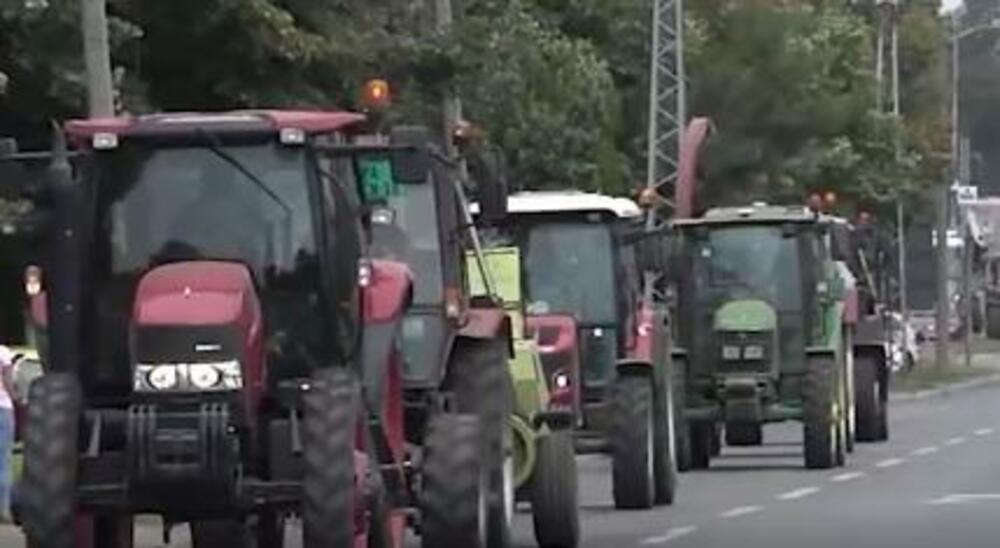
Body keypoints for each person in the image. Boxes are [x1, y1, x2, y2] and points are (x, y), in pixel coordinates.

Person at [0, 345, 16, 522]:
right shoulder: (3, 352)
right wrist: (17, 396)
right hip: (3, 408)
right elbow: (8, 382)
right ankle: (3, 509)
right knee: (4, 460)